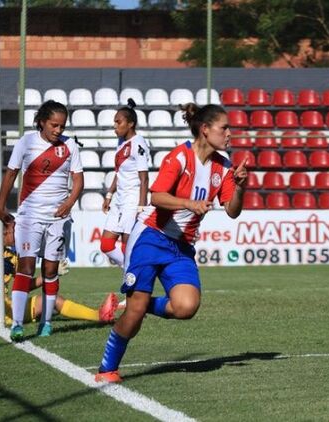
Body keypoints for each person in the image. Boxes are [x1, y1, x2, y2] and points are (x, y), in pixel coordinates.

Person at [94, 103, 248, 383]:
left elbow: (233, 211)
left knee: (186, 307)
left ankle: (131, 304)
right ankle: (107, 369)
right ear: (205, 129)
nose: (229, 134)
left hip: (181, 248)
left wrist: (240, 187)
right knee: (136, 315)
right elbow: (156, 197)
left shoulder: (225, 167)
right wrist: (188, 203)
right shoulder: (180, 157)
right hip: (150, 238)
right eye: (224, 128)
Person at [0, 99, 91, 342]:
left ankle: (46, 323)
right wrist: (1, 204)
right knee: (25, 266)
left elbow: (79, 182)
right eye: (54, 125)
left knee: (51, 269)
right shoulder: (26, 142)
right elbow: (11, 174)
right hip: (29, 216)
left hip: (58, 218)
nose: (58, 130)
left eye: (62, 126)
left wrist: (68, 203)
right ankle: (17, 324)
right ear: (42, 122)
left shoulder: (70, 146)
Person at [0, 219, 118, 328]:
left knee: (54, 300)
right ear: (3, 232)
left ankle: (99, 315)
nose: (19, 234)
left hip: (8, 306)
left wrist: (49, 276)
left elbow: (23, 287)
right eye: (15, 230)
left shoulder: (12, 256)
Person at [100, 98, 150, 267]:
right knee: (106, 245)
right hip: (119, 201)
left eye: (118, 122)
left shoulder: (139, 144)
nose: (115, 125)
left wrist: (141, 207)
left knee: (128, 247)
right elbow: (118, 172)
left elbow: (144, 178)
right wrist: (109, 195)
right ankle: (131, 267)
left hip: (132, 201)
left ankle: (131, 281)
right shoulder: (121, 143)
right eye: (114, 122)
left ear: (130, 124)